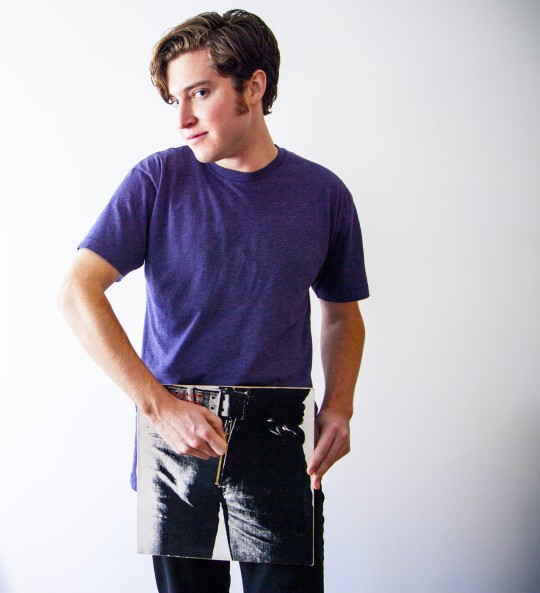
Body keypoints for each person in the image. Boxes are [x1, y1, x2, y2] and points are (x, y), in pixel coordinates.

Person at [58, 8, 369, 593]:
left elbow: (341, 314)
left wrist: (340, 406)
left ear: (254, 86)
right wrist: (158, 408)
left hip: (280, 445)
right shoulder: (157, 180)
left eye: (200, 93)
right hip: (177, 445)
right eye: (174, 99)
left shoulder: (323, 194)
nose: (183, 119)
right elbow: (77, 290)